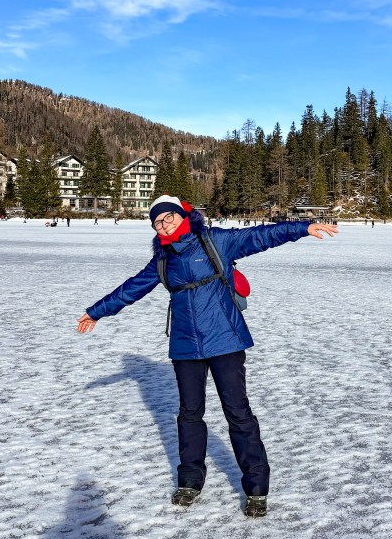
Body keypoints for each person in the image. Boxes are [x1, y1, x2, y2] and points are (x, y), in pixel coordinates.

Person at [77, 194, 337, 518]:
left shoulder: (215, 241)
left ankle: (256, 489)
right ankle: (190, 481)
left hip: (225, 339)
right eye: (157, 222)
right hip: (185, 346)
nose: (163, 224)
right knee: (189, 415)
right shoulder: (163, 261)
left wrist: (302, 227)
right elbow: (131, 288)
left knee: (238, 414)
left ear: (182, 215)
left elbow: (260, 236)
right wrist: (96, 312)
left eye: (167, 217)